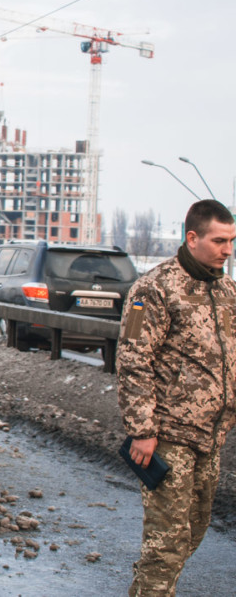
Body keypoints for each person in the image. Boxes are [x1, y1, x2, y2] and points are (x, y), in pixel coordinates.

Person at [116, 199, 236, 596]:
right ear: (192, 237)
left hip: (210, 437)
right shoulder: (153, 289)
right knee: (166, 547)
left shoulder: (227, 292)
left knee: (192, 534)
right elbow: (133, 361)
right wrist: (142, 429)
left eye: (232, 241)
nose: (228, 250)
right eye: (220, 241)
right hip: (169, 438)